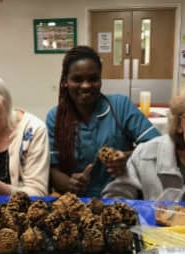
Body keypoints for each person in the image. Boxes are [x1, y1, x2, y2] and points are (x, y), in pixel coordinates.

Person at [46, 46, 160, 197]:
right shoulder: (56, 117)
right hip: (77, 203)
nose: (86, 85)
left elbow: (157, 147)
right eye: (77, 79)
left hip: (121, 197)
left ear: (100, 79)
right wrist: (69, 184)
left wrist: (126, 157)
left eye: (93, 79)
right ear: (65, 81)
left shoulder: (120, 106)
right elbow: (52, 169)